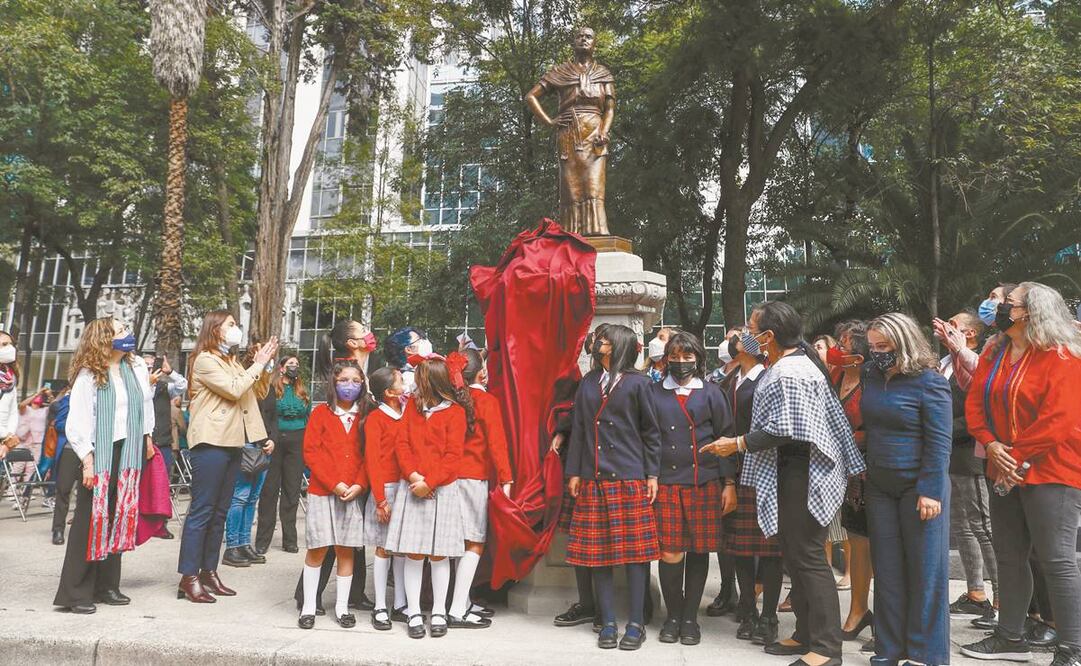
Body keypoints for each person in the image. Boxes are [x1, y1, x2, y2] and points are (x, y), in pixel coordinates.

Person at [702, 301, 864, 666]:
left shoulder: (790, 372)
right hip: (791, 470)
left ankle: (825, 649)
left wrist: (737, 442)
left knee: (807, 557)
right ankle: (805, 634)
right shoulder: (786, 366)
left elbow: (786, 429)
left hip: (803, 470)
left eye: (751, 327)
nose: (746, 334)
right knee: (795, 554)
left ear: (768, 336)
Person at [960, 282, 1081, 666]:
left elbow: (1060, 419)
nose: (995, 307)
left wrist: (1016, 456)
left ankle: (1072, 648)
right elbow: (975, 402)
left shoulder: (1062, 355)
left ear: (1029, 311)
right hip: (1003, 466)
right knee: (1010, 556)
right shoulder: (996, 351)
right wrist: (991, 444)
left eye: (1006, 303)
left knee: (1056, 559)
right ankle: (1010, 637)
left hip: (1051, 469)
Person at [861, 313, 953, 666]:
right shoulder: (872, 375)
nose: (876, 353)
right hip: (880, 484)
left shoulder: (929, 381)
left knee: (925, 572)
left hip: (921, 486)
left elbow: (940, 442)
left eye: (883, 347)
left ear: (904, 342)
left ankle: (926, 654)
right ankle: (888, 649)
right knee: (886, 571)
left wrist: (930, 490)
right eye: (871, 347)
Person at [565, 323, 661, 651]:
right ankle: (607, 622)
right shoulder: (589, 382)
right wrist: (575, 471)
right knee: (598, 556)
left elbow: (651, 431)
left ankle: (635, 623)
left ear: (619, 346)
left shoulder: (639, 384)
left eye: (604, 341)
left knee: (637, 557)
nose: (598, 343)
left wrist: (652, 474)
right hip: (593, 478)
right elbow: (578, 428)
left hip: (631, 477)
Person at [54, 317, 155, 614]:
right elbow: (78, 421)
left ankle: (107, 585)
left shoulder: (135, 368)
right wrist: (87, 459)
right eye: (121, 331)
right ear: (104, 339)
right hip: (100, 452)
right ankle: (76, 592)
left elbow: (145, 405)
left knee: (119, 515)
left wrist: (147, 437)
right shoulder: (90, 374)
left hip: (129, 450)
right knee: (90, 519)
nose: (128, 334)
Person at [177, 310, 278, 603]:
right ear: (215, 328)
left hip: (234, 441)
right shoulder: (205, 360)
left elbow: (255, 391)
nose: (237, 329)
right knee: (202, 511)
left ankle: (209, 571)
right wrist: (256, 365)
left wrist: (265, 365)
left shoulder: (231, 360)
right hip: (210, 440)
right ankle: (189, 577)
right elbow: (234, 390)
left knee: (220, 512)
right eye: (231, 324)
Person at [651, 331, 736, 647]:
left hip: (704, 482)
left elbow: (726, 438)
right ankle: (672, 616)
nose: (681, 362)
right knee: (670, 552)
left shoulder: (713, 393)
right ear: (666, 358)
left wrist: (729, 483)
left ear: (698, 359)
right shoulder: (654, 391)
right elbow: (649, 439)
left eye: (688, 357)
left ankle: (690, 618)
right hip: (667, 483)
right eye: (675, 356)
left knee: (699, 550)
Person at [294, 319, 377, 614]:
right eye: (361, 330)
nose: (351, 385)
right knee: (326, 544)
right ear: (352, 342)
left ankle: (349, 595)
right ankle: (309, 596)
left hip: (354, 476)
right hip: (332, 481)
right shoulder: (344, 369)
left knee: (349, 542)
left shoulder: (357, 367)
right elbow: (313, 452)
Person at [384, 357, 470, 639]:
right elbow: (402, 444)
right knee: (414, 552)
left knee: (438, 554)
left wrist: (430, 482)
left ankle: (439, 612)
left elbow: (453, 456)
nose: (414, 381)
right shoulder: (413, 407)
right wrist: (413, 477)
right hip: (413, 486)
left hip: (442, 489)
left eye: (419, 376)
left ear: (431, 380)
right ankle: (413, 612)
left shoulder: (455, 413)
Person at [719, 326, 784, 646]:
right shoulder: (731, 379)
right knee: (741, 546)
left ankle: (769, 615)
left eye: (739, 339)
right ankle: (747, 607)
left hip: (766, 469)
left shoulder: (767, 377)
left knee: (770, 548)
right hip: (737, 468)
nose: (734, 342)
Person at [934, 312, 1000, 627]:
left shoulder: (977, 362)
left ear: (970, 333)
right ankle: (976, 594)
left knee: (983, 526)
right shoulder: (946, 363)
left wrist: (939, 428)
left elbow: (977, 410)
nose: (945, 327)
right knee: (963, 527)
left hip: (969, 454)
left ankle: (1003, 597)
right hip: (952, 455)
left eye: (954, 324)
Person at [448, 349, 513, 628]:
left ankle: (460, 601)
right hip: (474, 479)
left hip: (448, 479)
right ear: (481, 372)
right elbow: (497, 444)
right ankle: (457, 608)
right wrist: (507, 478)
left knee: (453, 543)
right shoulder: (485, 401)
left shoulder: (449, 400)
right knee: (474, 542)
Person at [828, 320, 875, 644]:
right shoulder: (836, 375)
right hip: (840, 471)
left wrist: (847, 440)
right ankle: (858, 610)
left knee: (878, 545)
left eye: (843, 346)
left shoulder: (874, 381)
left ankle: (886, 617)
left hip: (869, 470)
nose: (836, 350)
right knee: (856, 541)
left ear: (859, 356)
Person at [222, 339, 277, 567]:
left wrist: (271, 438)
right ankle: (232, 546)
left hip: (264, 446)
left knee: (253, 498)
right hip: (245, 445)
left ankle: (245, 543)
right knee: (240, 496)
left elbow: (273, 416)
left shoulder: (269, 386)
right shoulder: (244, 383)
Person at [363, 367, 409, 630]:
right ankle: (381, 605)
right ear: (389, 392)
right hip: (387, 488)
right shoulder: (376, 419)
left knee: (402, 547)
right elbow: (372, 461)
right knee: (383, 548)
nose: (406, 382)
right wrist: (380, 499)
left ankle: (400, 602)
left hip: (406, 487)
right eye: (401, 380)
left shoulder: (406, 413)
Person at [256, 355, 311, 555]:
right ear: (281, 368)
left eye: (297, 364)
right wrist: (268, 438)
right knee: (269, 491)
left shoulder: (303, 390)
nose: (294, 367)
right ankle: (263, 540)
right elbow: (267, 415)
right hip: (276, 440)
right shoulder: (272, 389)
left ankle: (290, 539)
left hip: (297, 441)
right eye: (290, 364)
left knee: (292, 491)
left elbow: (308, 416)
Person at [140, 352, 187, 538]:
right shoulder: (135, 386)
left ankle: (160, 525)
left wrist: (171, 371)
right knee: (139, 482)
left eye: (153, 365)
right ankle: (138, 522)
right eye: (146, 365)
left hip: (163, 442)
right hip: (140, 443)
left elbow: (182, 385)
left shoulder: (163, 387)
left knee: (162, 485)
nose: (150, 369)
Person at [11, 386, 50, 510]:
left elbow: (55, 405)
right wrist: (37, 392)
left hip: (37, 443)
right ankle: (12, 489)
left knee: (31, 468)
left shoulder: (44, 411)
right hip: (23, 441)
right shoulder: (26, 409)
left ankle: (25, 492)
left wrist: (49, 395)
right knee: (18, 466)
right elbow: (21, 404)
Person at [48, 387, 74, 545]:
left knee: (88, 494)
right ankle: (58, 529)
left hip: (92, 451)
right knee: (63, 491)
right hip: (69, 450)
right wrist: (77, 426)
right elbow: (58, 424)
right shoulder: (68, 400)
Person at [0, 330, 20, 463]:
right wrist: (7, 436)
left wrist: (8, 440)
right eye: (4, 344)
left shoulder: (10, 378)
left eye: (11, 344)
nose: (10, 348)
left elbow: (14, 411)